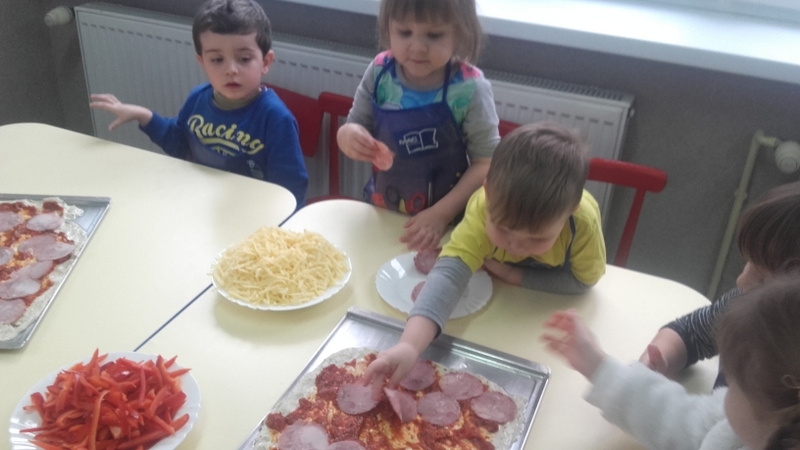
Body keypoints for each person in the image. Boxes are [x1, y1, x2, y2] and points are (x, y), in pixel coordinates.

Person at [363, 122, 607, 387]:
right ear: (487, 192)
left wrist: (514, 275)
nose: (515, 246)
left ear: (571, 209)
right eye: (503, 230)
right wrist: (409, 345)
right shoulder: (483, 207)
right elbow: (448, 276)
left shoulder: (583, 223)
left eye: (537, 239)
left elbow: (582, 281)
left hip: (537, 323)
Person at [89, 0, 308, 208]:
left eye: (244, 59)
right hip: (202, 204)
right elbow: (178, 145)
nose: (231, 70)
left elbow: (290, 189)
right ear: (202, 62)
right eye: (217, 60)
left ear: (265, 62)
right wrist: (143, 115)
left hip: (253, 213)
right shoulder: (197, 99)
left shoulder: (275, 118)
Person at [542, 275, 800, 450]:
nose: (724, 392)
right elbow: (678, 418)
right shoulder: (739, 428)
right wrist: (597, 366)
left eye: (732, 384)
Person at [337, 0, 500, 251]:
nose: (417, 47)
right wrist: (349, 136)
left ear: (460, 32)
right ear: (388, 27)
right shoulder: (380, 71)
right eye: (404, 32)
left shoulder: (471, 88)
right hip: (383, 210)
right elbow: (355, 124)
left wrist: (440, 215)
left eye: (434, 35)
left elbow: (486, 164)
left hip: (445, 224)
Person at [639, 181, 800, 387]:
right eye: (747, 263)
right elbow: (691, 333)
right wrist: (656, 360)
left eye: (762, 280)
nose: (741, 281)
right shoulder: (743, 305)